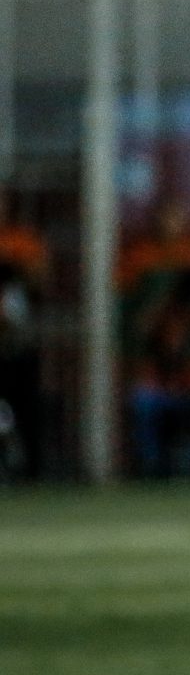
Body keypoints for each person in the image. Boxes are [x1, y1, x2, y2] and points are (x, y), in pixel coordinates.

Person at [118, 198, 190, 478]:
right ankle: (152, 470)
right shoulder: (141, 262)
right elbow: (134, 328)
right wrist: (162, 308)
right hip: (161, 384)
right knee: (142, 402)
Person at [0, 197, 49, 480]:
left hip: (17, 344)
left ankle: (32, 470)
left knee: (27, 405)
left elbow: (40, 281)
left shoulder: (22, 241)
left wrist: (14, 267)